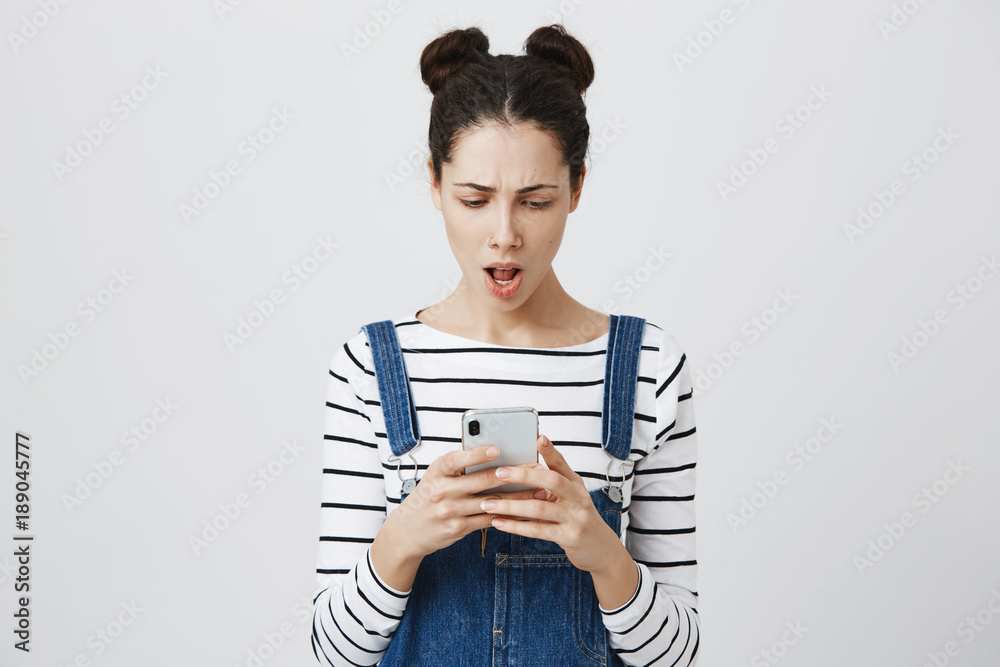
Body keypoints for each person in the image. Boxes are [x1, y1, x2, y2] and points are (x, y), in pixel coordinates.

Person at [311, 24, 699, 666]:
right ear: (434, 185)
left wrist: (603, 553)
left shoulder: (650, 367)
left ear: (576, 189)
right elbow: (335, 653)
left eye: (536, 201)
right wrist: (401, 541)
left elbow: (676, 656)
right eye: (474, 198)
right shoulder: (370, 369)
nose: (504, 234)